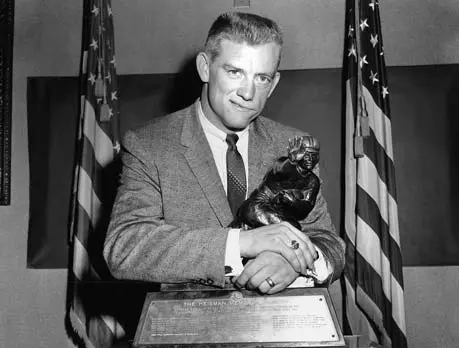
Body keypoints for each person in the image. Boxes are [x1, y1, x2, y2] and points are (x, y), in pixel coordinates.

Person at [104, 11, 345, 296]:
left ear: (274, 83)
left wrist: (294, 262)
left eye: (262, 78)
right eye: (235, 72)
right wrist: (243, 242)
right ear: (205, 68)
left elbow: (329, 243)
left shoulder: (292, 148)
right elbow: (124, 247)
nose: (248, 93)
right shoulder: (150, 145)